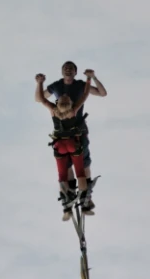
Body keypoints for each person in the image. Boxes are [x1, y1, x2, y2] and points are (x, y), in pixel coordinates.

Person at [35, 61, 107, 212]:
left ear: (75, 72)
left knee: (71, 166)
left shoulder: (55, 107)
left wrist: (39, 83)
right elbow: (40, 98)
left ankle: (71, 196)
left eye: (71, 68)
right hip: (74, 136)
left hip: (69, 135)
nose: (68, 70)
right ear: (62, 72)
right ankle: (81, 194)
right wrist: (89, 79)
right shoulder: (69, 102)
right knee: (78, 166)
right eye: (65, 68)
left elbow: (102, 93)